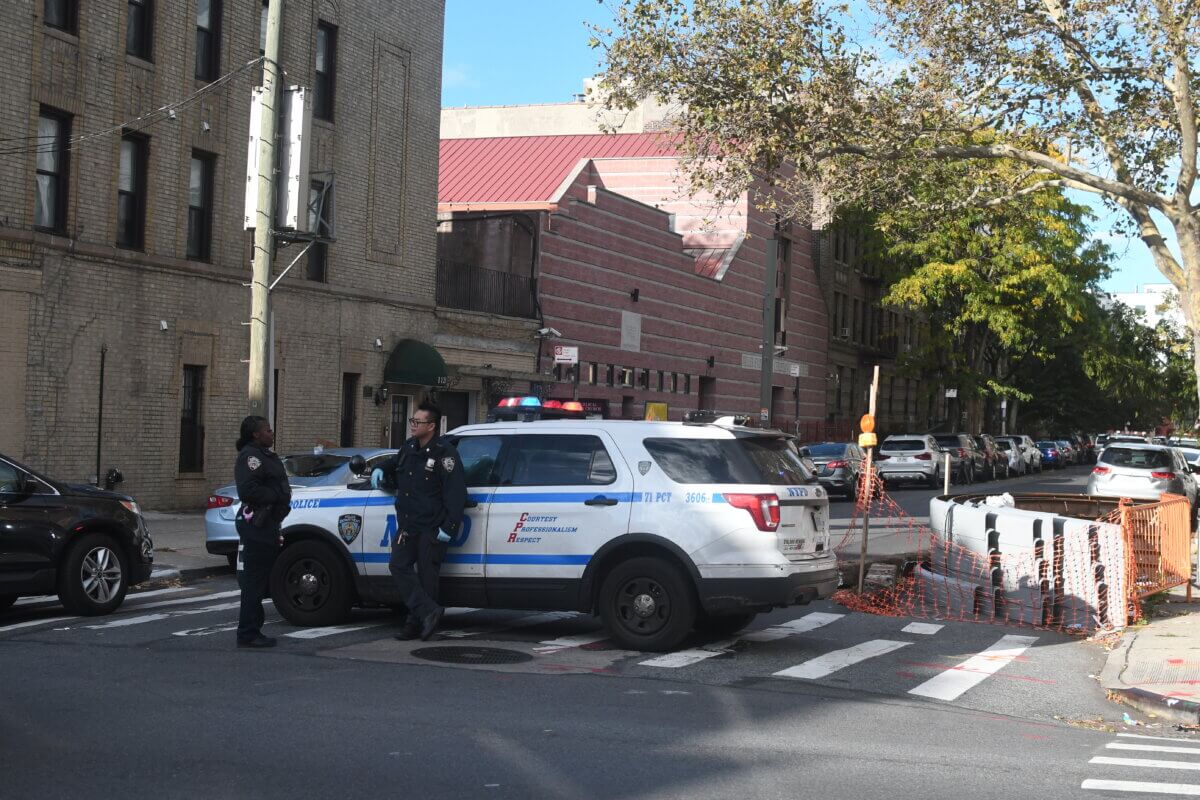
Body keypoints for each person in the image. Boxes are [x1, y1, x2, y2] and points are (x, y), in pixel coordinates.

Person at [372, 401, 467, 641]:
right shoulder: (409, 447)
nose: (412, 425)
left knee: (427, 577)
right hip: (408, 523)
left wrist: (449, 527)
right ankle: (427, 612)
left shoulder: (445, 453)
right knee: (398, 565)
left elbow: (455, 493)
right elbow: (395, 463)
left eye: (418, 422)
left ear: (432, 426)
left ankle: (415, 623)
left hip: (431, 526)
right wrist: (381, 468)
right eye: (412, 421)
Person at [233, 415, 291, 649]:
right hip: (257, 524)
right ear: (256, 434)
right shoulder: (251, 457)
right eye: (267, 430)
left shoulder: (263, 455)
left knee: (259, 579)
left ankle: (252, 629)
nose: (271, 432)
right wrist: (276, 497)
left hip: (268, 524)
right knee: (254, 581)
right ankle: (248, 632)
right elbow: (248, 489)